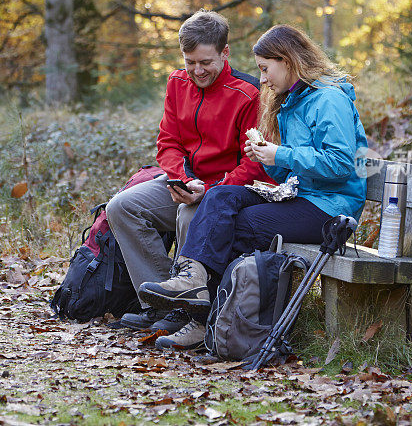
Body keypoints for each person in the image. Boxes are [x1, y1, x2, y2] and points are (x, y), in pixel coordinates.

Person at [138, 24, 368, 350]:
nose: (262, 79)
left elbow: (342, 164)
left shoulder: (328, 100)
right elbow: (292, 167)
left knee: (244, 224)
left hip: (333, 207)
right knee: (220, 196)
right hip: (301, 194)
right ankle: (192, 281)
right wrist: (266, 157)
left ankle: (213, 323)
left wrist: (280, 153)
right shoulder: (292, 100)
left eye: (265, 68)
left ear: (287, 61)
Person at [105, 10, 272, 336]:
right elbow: (168, 142)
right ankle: (161, 303)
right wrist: (180, 177)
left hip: (227, 191)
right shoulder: (177, 83)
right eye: (189, 61)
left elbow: (254, 165)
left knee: (188, 214)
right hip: (185, 182)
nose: (197, 70)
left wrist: (208, 190)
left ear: (225, 53)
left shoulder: (249, 95)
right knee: (122, 207)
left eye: (206, 62)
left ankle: (188, 310)